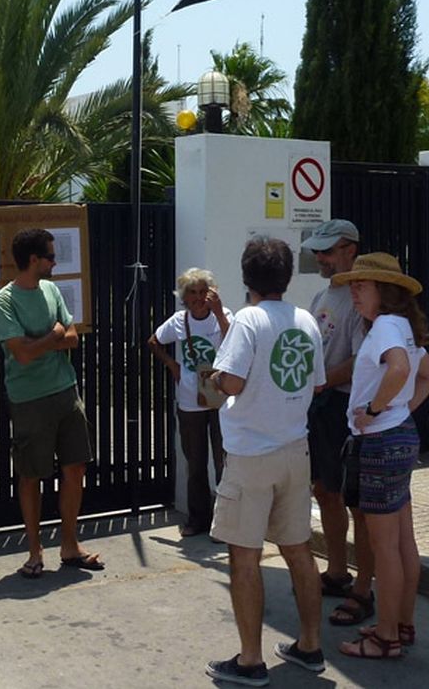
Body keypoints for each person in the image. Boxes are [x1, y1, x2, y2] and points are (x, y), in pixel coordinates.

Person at [204, 236, 326, 686]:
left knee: (245, 556)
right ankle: (310, 645)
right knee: (299, 551)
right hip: (296, 450)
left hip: (251, 454)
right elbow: (314, 385)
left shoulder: (249, 320)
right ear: (287, 276)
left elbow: (232, 383)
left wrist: (215, 375)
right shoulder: (305, 321)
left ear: (246, 275)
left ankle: (251, 660)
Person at [331, 253, 429, 661]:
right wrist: (401, 410)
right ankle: (401, 624)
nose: (354, 292)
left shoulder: (385, 330)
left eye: (362, 285)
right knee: (402, 541)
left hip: (378, 442)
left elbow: (397, 369)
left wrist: (377, 409)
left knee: (385, 547)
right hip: (398, 437)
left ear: (384, 290)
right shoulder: (403, 328)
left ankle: (385, 638)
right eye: (353, 285)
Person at [0, 228, 103, 578]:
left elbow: (71, 337)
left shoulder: (52, 289)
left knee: (75, 468)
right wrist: (52, 335)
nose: (56, 263)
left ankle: (70, 546)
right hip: (29, 399)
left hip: (66, 391)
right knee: (31, 475)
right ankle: (34, 550)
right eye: (51, 257)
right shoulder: (4, 302)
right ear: (34, 260)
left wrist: (45, 340)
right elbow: (20, 355)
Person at [299, 219, 371, 619]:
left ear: (350, 249)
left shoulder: (361, 299)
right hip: (322, 407)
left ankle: (364, 589)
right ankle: (338, 571)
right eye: (318, 251)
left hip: (346, 408)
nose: (320, 258)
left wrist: (323, 383)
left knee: (357, 503)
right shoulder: (320, 297)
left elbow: (363, 359)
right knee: (325, 490)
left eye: (327, 251)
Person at [147, 267, 232, 538]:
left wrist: (219, 313)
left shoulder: (224, 315)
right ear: (184, 296)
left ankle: (225, 524)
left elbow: (235, 340)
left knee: (224, 463)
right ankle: (198, 520)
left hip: (219, 398)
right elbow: (154, 341)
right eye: (192, 293)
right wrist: (172, 365)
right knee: (195, 463)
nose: (198, 297)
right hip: (190, 400)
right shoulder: (178, 321)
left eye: (202, 292)